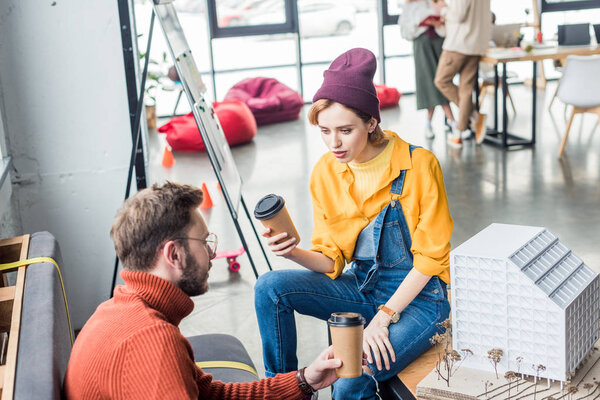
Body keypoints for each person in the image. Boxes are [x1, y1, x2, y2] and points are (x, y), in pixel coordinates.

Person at [254, 48, 452, 400]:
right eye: (325, 131)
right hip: (363, 289)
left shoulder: (419, 165)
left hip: (421, 301)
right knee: (270, 287)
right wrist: (294, 253)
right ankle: (285, 392)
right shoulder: (325, 172)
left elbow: (432, 259)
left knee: (347, 382)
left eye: (345, 130)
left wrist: (384, 317)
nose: (334, 143)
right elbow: (332, 260)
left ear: (371, 123)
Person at [63, 182, 342, 400]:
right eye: (204, 241)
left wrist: (305, 379)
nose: (212, 252)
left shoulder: (119, 310)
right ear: (174, 254)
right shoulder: (153, 340)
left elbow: (213, 395)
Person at [433, 0, 491, 148]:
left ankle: (475, 117)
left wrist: (444, 10)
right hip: (476, 45)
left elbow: (458, 15)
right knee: (466, 90)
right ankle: (458, 134)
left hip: (458, 44)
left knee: (441, 81)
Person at [399, 0, 456, 139]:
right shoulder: (408, 7)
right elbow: (405, 31)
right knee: (430, 83)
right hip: (422, 46)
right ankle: (453, 123)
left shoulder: (435, 2)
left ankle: (431, 124)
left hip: (440, 45)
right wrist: (420, 24)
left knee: (442, 82)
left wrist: (438, 24)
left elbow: (448, 23)